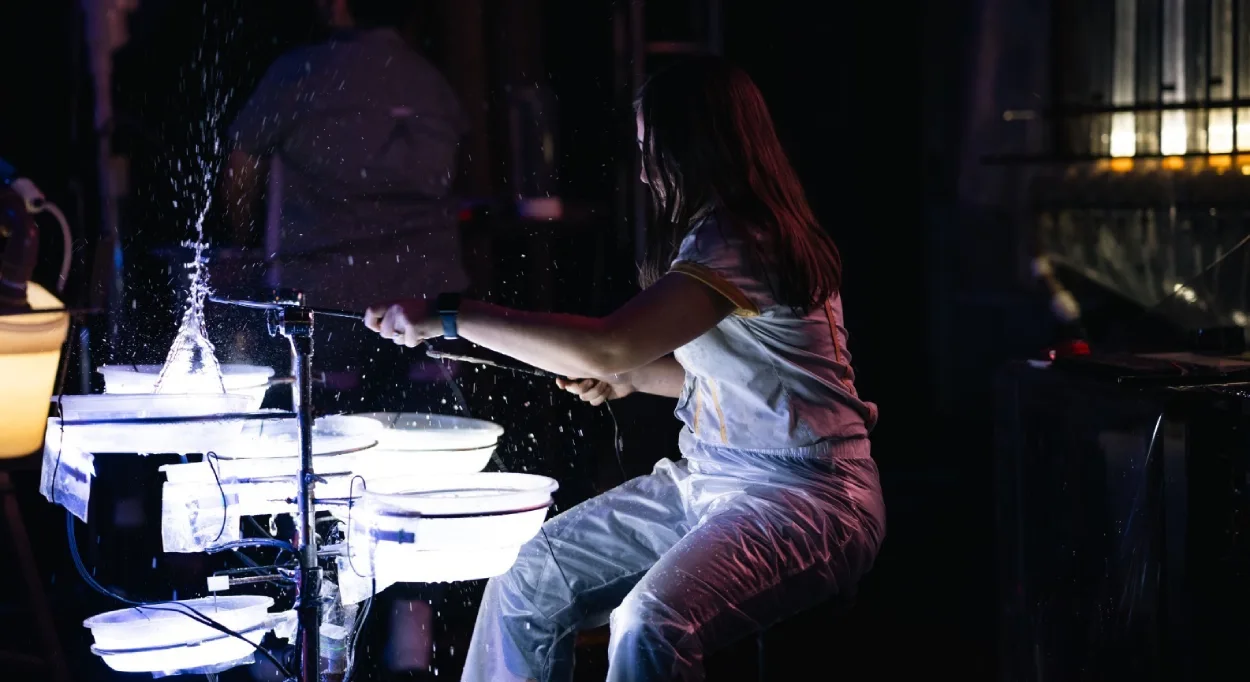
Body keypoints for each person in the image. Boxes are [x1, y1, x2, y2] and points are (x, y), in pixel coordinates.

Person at [364, 56, 886, 682]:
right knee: (526, 575)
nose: (642, 171)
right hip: (713, 481)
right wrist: (636, 379)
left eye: (650, 149)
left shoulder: (741, 240)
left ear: (694, 146)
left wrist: (451, 314)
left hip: (810, 499)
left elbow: (606, 346)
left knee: (649, 620)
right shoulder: (721, 235)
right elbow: (728, 383)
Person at [223, 0, 469, 403]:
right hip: (428, 309)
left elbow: (240, 168)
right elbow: (456, 176)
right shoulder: (430, 80)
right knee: (428, 432)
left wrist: (243, 241)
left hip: (323, 309)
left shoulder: (299, 73)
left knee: (326, 439)